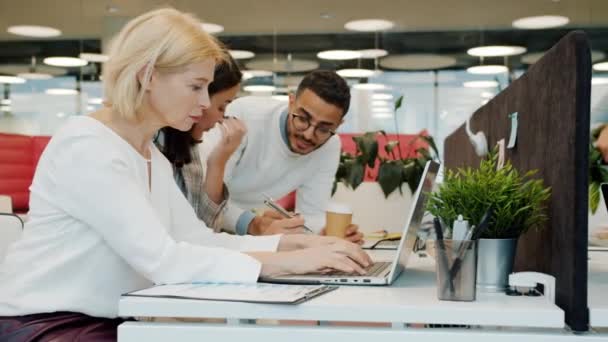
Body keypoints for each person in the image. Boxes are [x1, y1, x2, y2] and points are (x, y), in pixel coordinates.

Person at [0, 8, 371, 342]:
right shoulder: (88, 147)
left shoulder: (149, 155)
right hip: (49, 324)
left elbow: (199, 240)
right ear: (147, 75)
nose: (206, 104)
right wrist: (289, 264)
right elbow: (164, 261)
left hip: (115, 321)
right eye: (196, 87)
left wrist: (298, 246)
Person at [198, 70, 363, 241]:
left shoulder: (330, 146)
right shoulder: (245, 115)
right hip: (202, 225)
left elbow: (312, 214)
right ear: (291, 102)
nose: (308, 134)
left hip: (247, 232)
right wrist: (254, 224)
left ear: (339, 125)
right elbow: (205, 194)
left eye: (323, 129)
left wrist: (323, 234)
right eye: (303, 118)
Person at [158, 55, 304, 234]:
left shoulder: (189, 148)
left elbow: (206, 226)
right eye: (221, 107)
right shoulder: (153, 144)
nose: (221, 118)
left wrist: (218, 161)